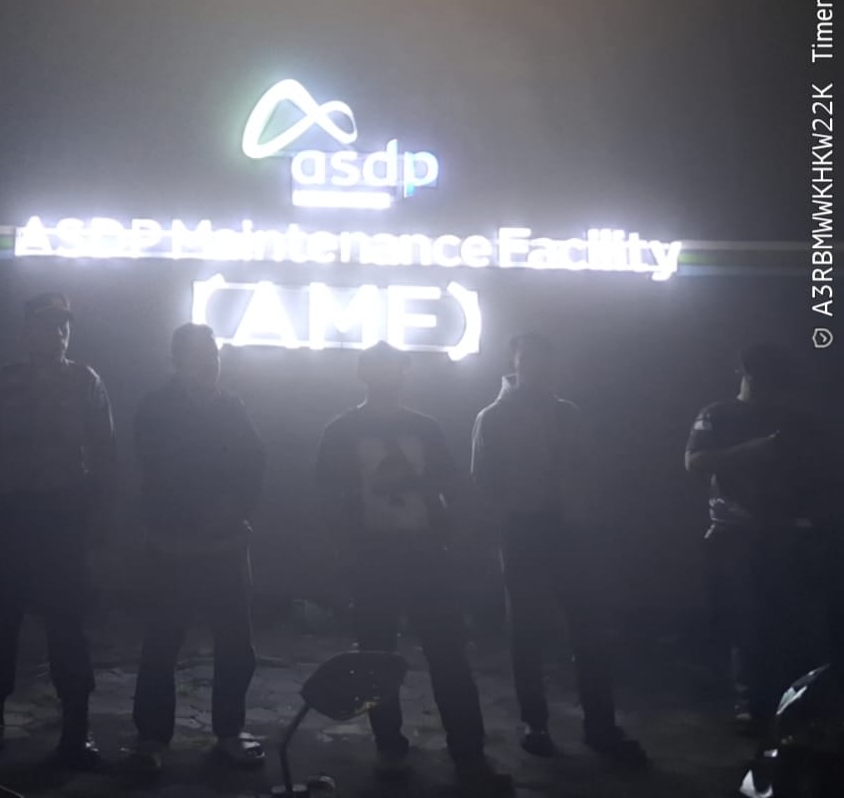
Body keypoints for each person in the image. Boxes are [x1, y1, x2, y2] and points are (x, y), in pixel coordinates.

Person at [315, 341, 514, 796]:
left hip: (423, 555)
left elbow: (449, 486)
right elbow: (328, 499)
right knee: (378, 660)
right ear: (366, 375)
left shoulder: (420, 428)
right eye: (382, 369)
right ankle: (394, 748)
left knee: (445, 656)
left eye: (395, 369)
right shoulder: (346, 430)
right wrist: (344, 554)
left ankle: (465, 752)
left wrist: (448, 537)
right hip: (374, 557)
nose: (390, 377)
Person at [470, 332, 646, 766]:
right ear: (515, 364)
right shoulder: (494, 417)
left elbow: (587, 468)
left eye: (544, 360)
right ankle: (538, 724)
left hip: (568, 529)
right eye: (530, 359)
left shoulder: (566, 413)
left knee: (586, 628)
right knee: (529, 631)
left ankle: (596, 724)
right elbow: (483, 480)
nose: (539, 368)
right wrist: (512, 514)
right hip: (525, 529)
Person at [0, 292, 115, 770]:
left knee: (68, 629)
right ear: (26, 331)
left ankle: (77, 731)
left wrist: (98, 520)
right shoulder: (3, 383)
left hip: (63, 521)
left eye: (63, 325)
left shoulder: (86, 381)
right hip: (11, 519)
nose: (57, 333)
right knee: (0, 628)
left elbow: (105, 455)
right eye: (46, 324)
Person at [128, 323, 267, 775]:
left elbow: (254, 465)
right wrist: (200, 516)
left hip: (224, 548)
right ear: (178, 362)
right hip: (173, 548)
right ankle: (152, 737)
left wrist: (233, 513)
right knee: (161, 644)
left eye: (214, 356)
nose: (210, 365)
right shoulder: (156, 409)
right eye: (200, 357)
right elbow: (157, 472)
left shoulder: (233, 407)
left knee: (235, 645)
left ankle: (230, 731)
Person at [686, 343, 827, 732]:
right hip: (736, 534)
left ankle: (792, 702)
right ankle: (750, 703)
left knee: (790, 620)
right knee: (744, 620)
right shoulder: (717, 414)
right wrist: (756, 449)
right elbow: (695, 461)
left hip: (787, 532)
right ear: (745, 373)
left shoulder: (795, 420)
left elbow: (819, 471)